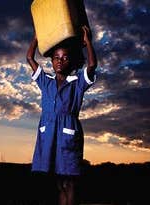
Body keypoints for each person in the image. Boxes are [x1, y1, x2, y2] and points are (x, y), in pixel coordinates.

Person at [27, 25, 97, 205]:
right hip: (49, 133)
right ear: (51, 61)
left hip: (68, 133)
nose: (60, 61)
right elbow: (29, 57)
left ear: (71, 61)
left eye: (65, 58)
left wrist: (87, 42)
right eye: (56, 58)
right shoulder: (45, 81)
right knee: (59, 183)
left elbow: (92, 65)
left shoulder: (77, 83)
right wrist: (37, 37)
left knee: (69, 182)